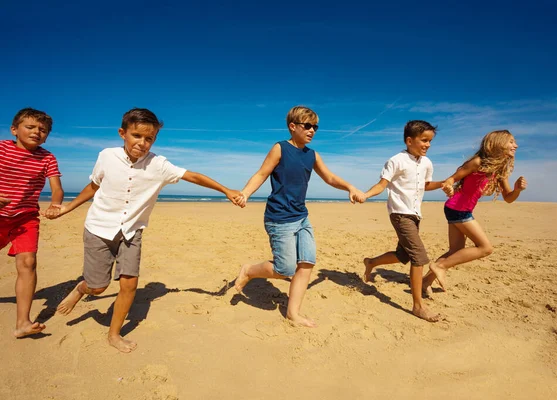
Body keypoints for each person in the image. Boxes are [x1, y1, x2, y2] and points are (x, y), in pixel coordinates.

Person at [47, 108, 241, 352]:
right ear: (123, 133)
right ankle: (81, 289)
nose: (142, 143)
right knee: (98, 287)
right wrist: (67, 208)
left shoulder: (159, 164)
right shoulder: (106, 156)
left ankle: (114, 334)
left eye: (149, 138)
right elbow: (93, 186)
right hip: (99, 228)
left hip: (132, 231)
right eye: (137, 135)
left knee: (129, 284)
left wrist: (226, 191)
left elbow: (192, 176)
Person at [233, 106, 363, 327]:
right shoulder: (280, 148)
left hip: (301, 217)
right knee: (285, 269)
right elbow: (262, 174)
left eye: (315, 127)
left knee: (307, 263)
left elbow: (329, 178)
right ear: (293, 127)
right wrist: (245, 193)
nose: (312, 130)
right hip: (279, 218)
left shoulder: (312, 155)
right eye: (307, 126)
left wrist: (350, 187)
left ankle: (293, 313)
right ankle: (249, 270)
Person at [423, 130, 527, 294]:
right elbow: (452, 178)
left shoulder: (499, 170)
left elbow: (508, 198)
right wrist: (449, 186)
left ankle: (425, 281)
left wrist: (517, 190)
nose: (516, 145)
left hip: (457, 209)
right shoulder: (478, 162)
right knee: (485, 248)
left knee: (455, 252)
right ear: (499, 143)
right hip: (458, 209)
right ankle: (439, 266)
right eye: (511, 142)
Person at [360, 120, 443, 322]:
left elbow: (426, 185)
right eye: (424, 140)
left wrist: (447, 183)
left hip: (415, 214)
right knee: (419, 257)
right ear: (409, 140)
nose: (428, 145)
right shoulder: (396, 160)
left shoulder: (426, 163)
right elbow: (382, 185)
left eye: (430, 141)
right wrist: (365, 195)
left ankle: (371, 262)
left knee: (402, 254)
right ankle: (418, 306)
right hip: (399, 213)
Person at [0, 108, 64, 337]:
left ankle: (23, 323)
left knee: (28, 263)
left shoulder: (47, 158)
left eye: (43, 130)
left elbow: (56, 188)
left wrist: (55, 205)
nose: (37, 132)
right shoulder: (2, 148)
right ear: (14, 129)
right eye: (30, 127)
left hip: (25, 218)